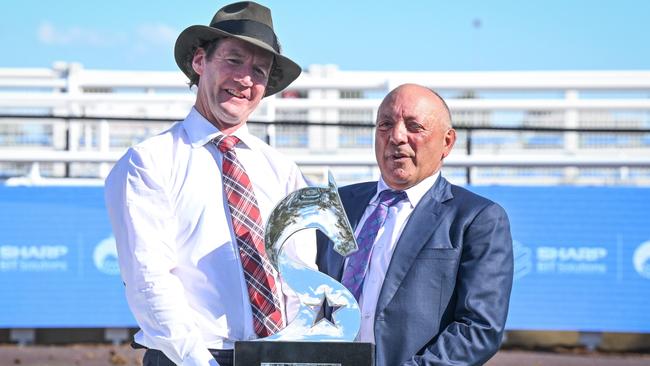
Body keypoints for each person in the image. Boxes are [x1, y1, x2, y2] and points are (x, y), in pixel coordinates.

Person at [104, 2, 310, 365]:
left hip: (275, 354)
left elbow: (300, 274)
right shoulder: (150, 161)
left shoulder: (282, 170)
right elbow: (149, 280)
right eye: (234, 60)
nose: (246, 79)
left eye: (259, 69)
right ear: (200, 61)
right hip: (189, 357)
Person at [316, 83, 514, 366]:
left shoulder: (478, 218)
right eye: (385, 124)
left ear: (447, 143)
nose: (396, 136)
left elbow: (479, 328)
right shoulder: (338, 204)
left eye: (414, 126)